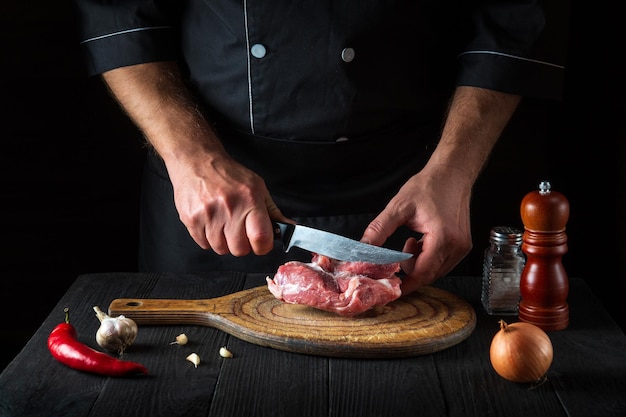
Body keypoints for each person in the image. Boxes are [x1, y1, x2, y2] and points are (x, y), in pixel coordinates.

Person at [73, 0, 564, 295]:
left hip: (410, 188)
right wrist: (191, 158)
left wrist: (454, 171)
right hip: (209, 191)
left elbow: (510, 18)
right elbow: (120, 16)